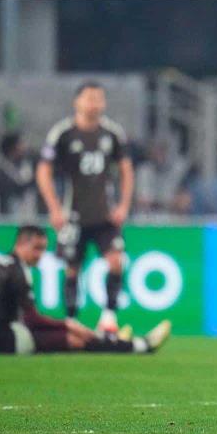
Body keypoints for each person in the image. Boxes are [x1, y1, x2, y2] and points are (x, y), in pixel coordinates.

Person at [0, 225, 170, 355]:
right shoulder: (18, 271)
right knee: (75, 339)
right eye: (37, 248)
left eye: (43, 249)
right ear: (21, 244)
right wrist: (66, 324)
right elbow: (32, 320)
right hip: (4, 340)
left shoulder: (3, 263)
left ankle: (112, 341)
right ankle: (141, 345)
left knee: (74, 335)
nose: (40, 255)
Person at [36, 81, 134, 333]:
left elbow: (126, 170)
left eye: (99, 98)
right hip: (73, 214)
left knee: (116, 261)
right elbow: (43, 171)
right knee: (72, 268)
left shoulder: (112, 133)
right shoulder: (62, 133)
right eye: (89, 98)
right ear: (77, 102)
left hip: (105, 214)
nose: (95, 103)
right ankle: (71, 321)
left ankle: (109, 317)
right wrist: (55, 209)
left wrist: (123, 205)